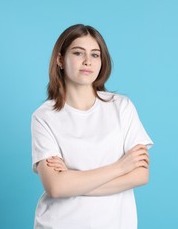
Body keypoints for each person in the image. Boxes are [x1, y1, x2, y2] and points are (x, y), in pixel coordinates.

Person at [31, 24, 153, 229]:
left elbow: (140, 175)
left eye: (95, 55)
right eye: (78, 53)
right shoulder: (44, 117)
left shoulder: (121, 107)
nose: (88, 61)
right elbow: (56, 187)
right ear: (60, 60)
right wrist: (121, 167)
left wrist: (73, 182)